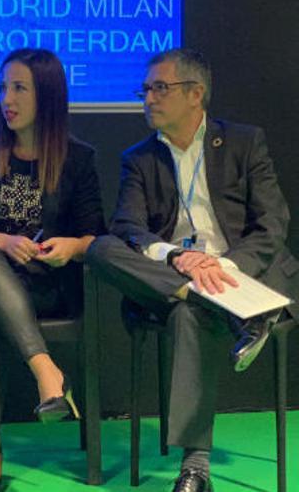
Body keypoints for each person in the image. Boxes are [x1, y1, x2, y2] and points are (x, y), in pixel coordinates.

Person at [86, 48, 298, 492]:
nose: (149, 98)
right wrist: (176, 258)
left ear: (195, 94)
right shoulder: (139, 158)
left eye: (160, 88)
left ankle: (195, 468)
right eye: (145, 89)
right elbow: (127, 228)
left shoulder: (243, 142)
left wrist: (224, 266)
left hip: (242, 274)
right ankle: (220, 306)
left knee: (187, 313)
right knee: (102, 248)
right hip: (177, 279)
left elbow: (273, 222)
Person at [0, 48, 105, 492]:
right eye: (2, 88)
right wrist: (2, 240)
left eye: (18, 88)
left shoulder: (78, 159)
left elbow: (97, 239)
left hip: (38, 286)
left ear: (46, 95)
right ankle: (47, 372)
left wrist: (69, 246)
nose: (6, 98)